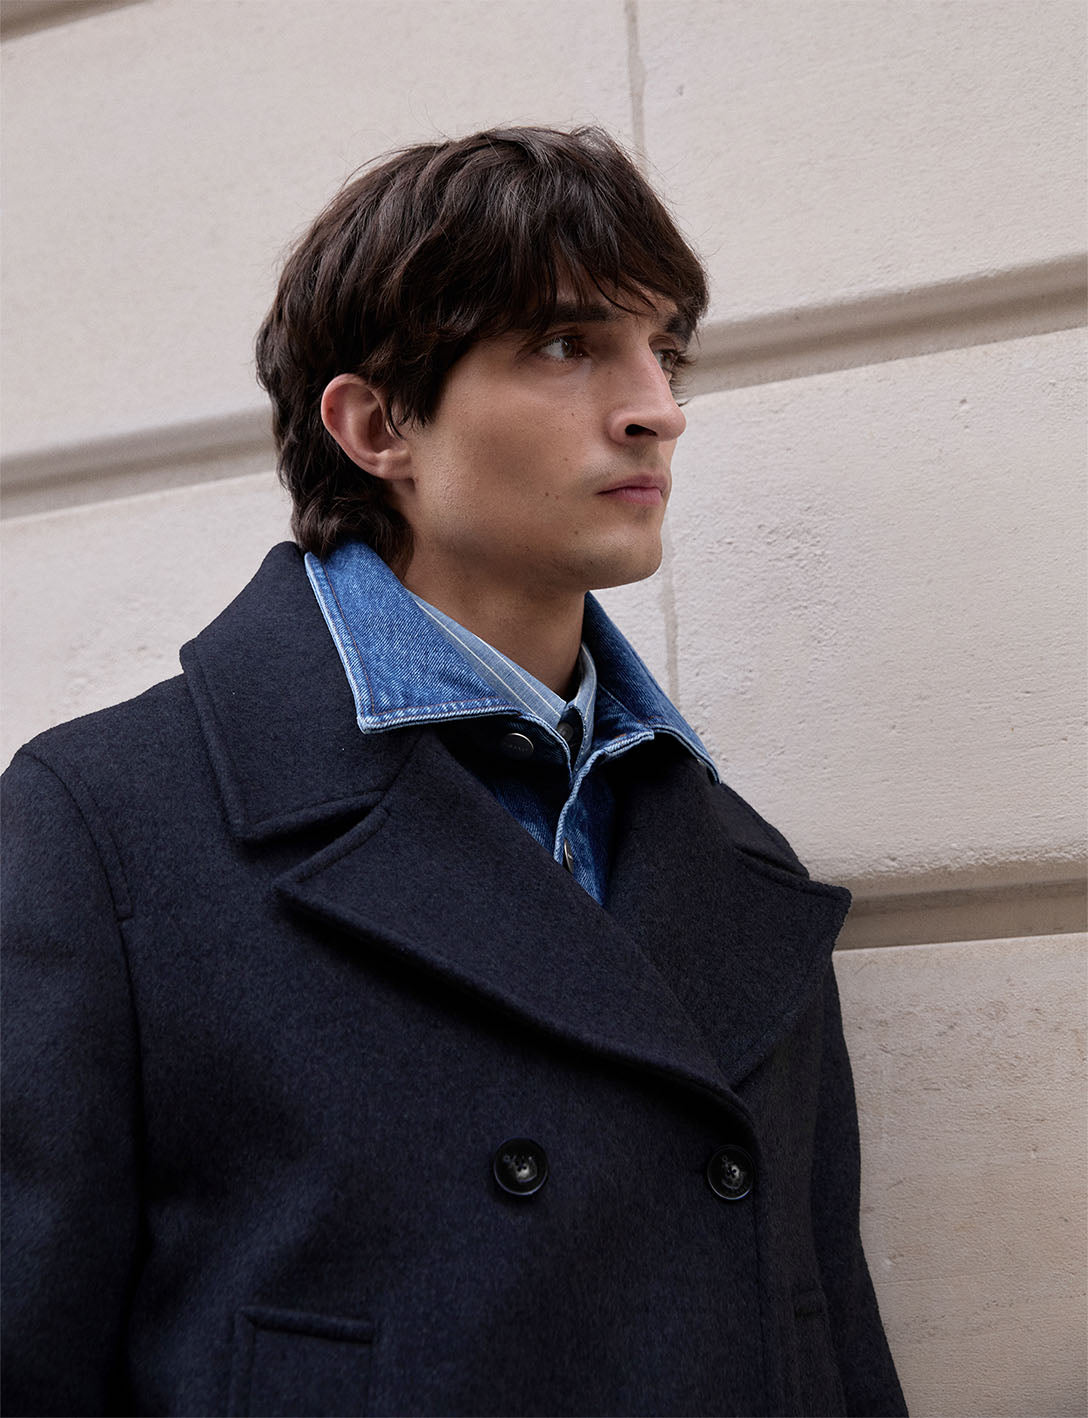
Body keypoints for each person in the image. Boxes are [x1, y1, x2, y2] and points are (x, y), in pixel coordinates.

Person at [1, 126, 906, 1418]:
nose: (657, 406)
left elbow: (825, 1345)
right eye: (566, 344)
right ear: (378, 424)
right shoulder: (106, 822)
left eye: (664, 349)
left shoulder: (737, 861)